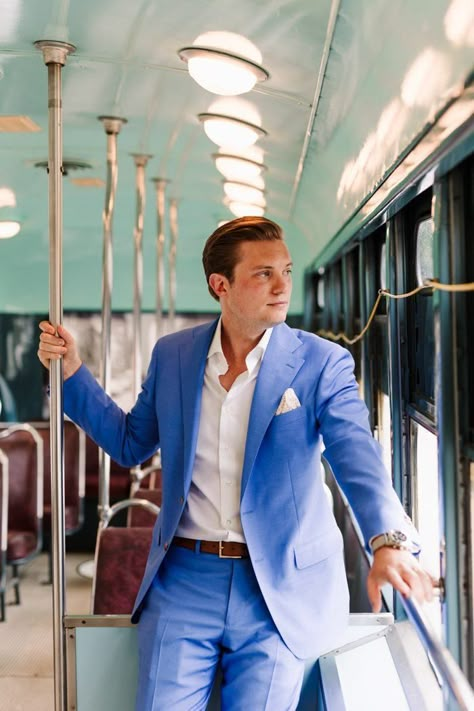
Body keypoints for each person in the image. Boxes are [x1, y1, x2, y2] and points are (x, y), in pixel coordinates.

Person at [38, 216, 433, 711]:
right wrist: (73, 372)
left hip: (279, 589)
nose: (283, 285)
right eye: (264, 273)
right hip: (184, 578)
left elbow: (356, 455)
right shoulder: (175, 355)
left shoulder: (321, 362)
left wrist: (388, 541)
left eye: (286, 271)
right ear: (220, 286)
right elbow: (130, 443)